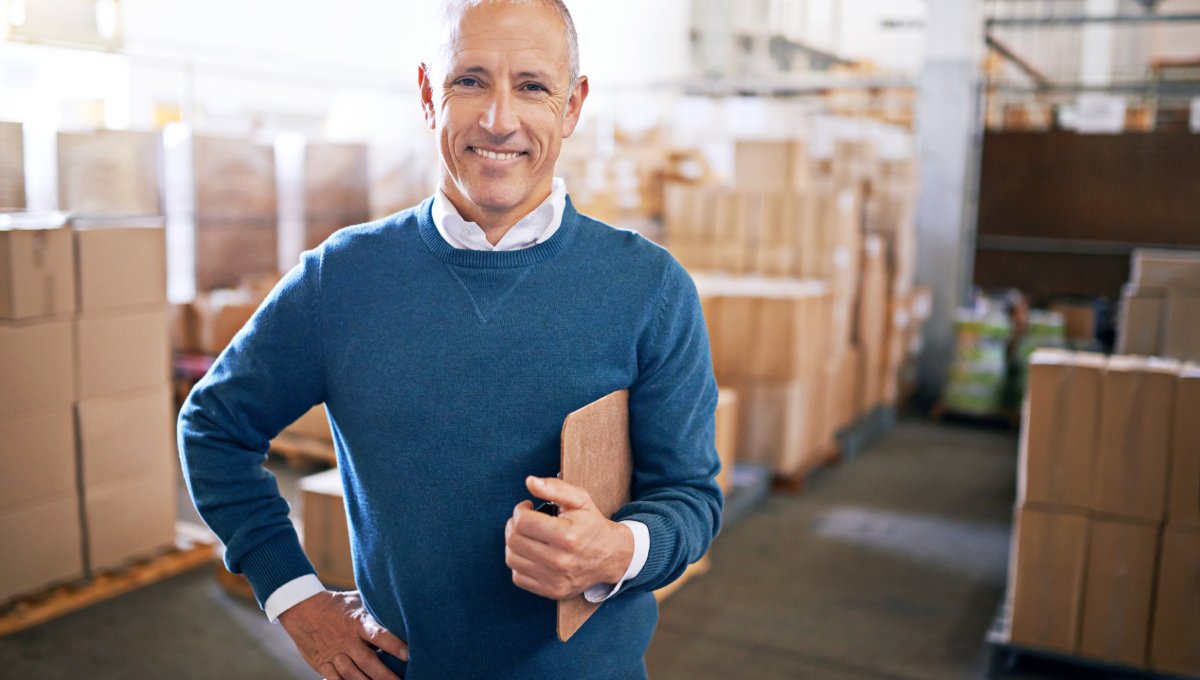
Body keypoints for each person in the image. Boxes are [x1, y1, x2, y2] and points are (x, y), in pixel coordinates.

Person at [176, 1, 722, 678]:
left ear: (573, 106)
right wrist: (294, 597)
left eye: (531, 85)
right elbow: (214, 428)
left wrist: (618, 551)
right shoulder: (342, 280)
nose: (499, 119)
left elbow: (691, 497)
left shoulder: (648, 288)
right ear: (429, 96)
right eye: (470, 80)